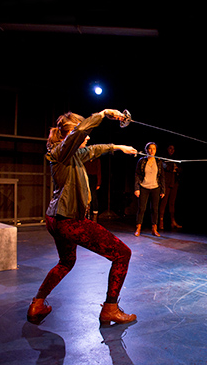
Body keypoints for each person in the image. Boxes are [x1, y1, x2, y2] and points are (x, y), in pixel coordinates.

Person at [27, 109, 139, 326]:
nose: (87, 138)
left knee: (66, 261)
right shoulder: (62, 151)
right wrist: (104, 113)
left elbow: (93, 150)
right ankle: (110, 309)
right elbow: (82, 131)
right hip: (69, 220)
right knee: (122, 254)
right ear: (69, 135)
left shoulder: (71, 155)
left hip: (56, 218)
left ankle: (38, 303)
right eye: (82, 134)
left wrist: (117, 147)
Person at [134, 142, 165, 237]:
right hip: (144, 187)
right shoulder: (142, 161)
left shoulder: (159, 162)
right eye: (150, 149)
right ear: (146, 150)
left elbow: (162, 177)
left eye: (154, 149)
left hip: (155, 188)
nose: (152, 151)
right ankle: (138, 228)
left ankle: (154, 229)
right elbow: (137, 175)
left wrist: (163, 190)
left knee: (155, 209)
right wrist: (137, 188)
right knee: (141, 208)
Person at [159, 144, 182, 230]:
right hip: (166, 183)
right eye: (170, 148)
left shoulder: (176, 158)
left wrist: (176, 168)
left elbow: (180, 168)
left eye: (173, 149)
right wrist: (173, 167)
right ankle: (161, 221)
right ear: (167, 149)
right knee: (164, 202)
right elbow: (164, 167)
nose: (172, 150)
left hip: (174, 182)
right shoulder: (163, 157)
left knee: (172, 203)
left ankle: (173, 221)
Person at [84, 157, 102, 223]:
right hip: (86, 177)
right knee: (86, 196)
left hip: (94, 178)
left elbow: (99, 171)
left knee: (93, 196)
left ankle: (95, 216)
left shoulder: (97, 160)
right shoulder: (85, 159)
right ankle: (86, 215)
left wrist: (98, 183)